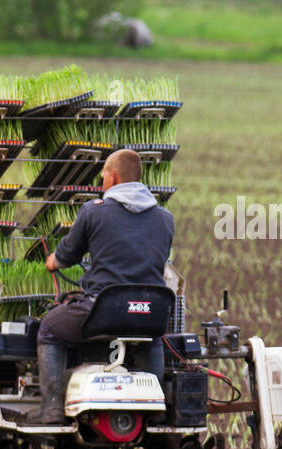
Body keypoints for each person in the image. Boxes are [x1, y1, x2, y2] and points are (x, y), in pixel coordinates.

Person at [11, 148, 174, 425]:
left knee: (49, 328)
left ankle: (51, 411)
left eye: (102, 178)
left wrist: (52, 262)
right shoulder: (165, 218)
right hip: (152, 311)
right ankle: (157, 412)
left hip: (106, 309)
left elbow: (66, 256)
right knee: (151, 338)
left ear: (113, 177)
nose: (101, 184)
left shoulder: (93, 212)